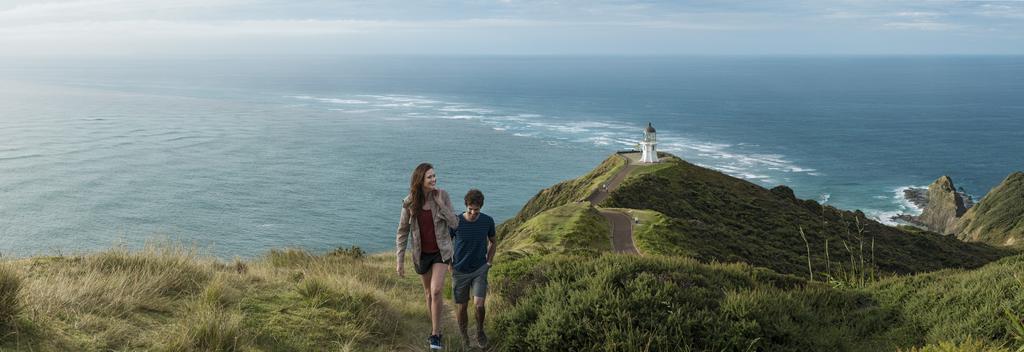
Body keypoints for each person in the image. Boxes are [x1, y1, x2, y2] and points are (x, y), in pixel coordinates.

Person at [396, 163, 459, 350]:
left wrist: (440, 204)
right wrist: (399, 260)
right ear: (420, 180)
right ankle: (435, 329)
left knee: (436, 290)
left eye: (434, 176)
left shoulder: (443, 195)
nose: (434, 179)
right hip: (421, 254)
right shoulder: (408, 203)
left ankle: (435, 335)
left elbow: (455, 223)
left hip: (441, 252)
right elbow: (402, 232)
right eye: (430, 177)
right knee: (428, 293)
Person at [449, 189, 497, 348]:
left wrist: (489, 262)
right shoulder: (455, 221)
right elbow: (446, 244)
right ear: (466, 205)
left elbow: (493, 242)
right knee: (461, 307)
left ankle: (480, 331)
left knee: (479, 305)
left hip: (479, 270)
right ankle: (464, 336)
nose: (473, 212)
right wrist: (449, 264)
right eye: (470, 209)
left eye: (476, 209)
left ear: (481, 207)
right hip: (459, 270)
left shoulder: (487, 221)